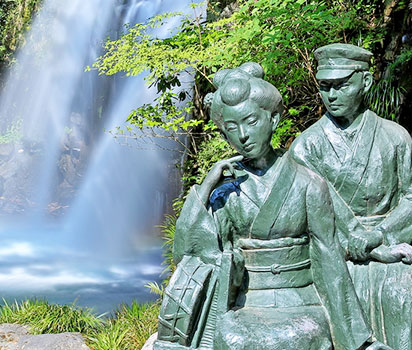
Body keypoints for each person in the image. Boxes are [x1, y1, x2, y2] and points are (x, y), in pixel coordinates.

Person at [155, 63, 386, 350]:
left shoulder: (308, 184)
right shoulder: (225, 189)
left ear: (273, 120)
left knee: (297, 337)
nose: (242, 135)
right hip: (246, 301)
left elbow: (329, 261)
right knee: (231, 338)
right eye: (231, 127)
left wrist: (356, 339)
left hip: (300, 299)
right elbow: (187, 254)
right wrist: (205, 189)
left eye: (251, 122)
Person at [289, 43, 412, 350]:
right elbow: (308, 209)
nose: (332, 96)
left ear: (366, 82)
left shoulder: (394, 136)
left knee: (401, 289)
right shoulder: (305, 147)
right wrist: (354, 242)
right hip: (332, 251)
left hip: (388, 241)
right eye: (325, 87)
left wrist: (380, 235)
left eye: (342, 86)